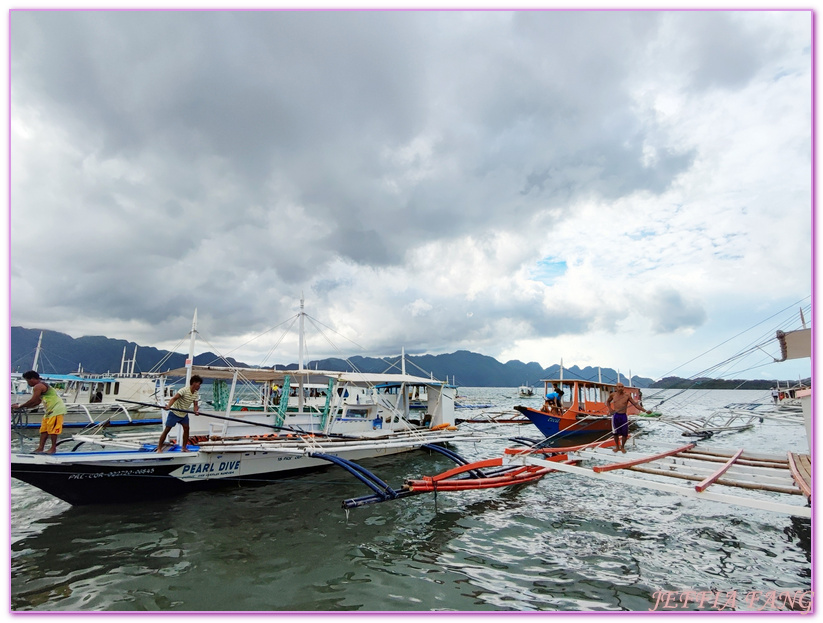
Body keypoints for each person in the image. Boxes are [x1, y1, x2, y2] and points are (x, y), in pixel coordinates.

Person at [12, 370, 67, 454]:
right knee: (44, 430)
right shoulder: (40, 386)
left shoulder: (38, 386)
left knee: (53, 430)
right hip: (49, 411)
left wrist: (20, 406)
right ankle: (40, 448)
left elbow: (33, 400)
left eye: (27, 381)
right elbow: (36, 402)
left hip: (56, 409)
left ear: (33, 379)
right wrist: (22, 406)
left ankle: (53, 448)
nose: (28, 383)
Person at [156, 375, 202, 452]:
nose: (199, 386)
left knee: (187, 429)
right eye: (198, 384)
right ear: (194, 383)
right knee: (167, 429)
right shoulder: (184, 390)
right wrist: (168, 406)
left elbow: (195, 405)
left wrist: (196, 411)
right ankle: (159, 448)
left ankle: (184, 447)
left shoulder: (196, 393)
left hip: (184, 414)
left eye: (200, 384)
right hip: (175, 412)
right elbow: (174, 398)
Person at [605, 382, 650, 453]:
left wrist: (645, 410)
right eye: (619, 387)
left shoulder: (627, 395)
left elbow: (635, 405)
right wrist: (610, 409)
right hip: (615, 415)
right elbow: (607, 402)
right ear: (616, 388)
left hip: (623, 415)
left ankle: (622, 447)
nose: (621, 388)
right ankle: (617, 446)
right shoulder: (613, 395)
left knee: (625, 433)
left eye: (622, 387)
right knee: (615, 433)